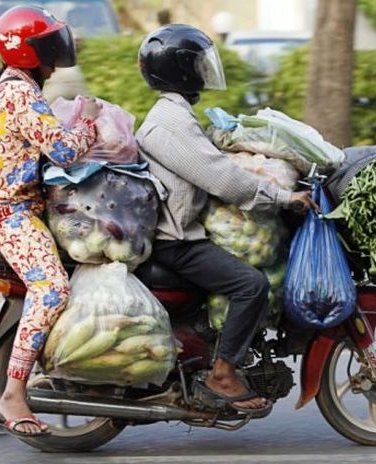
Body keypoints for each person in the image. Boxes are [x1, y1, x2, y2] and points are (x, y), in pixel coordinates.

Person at [136, 24, 315, 415]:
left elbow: (211, 164)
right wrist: (283, 198)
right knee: (251, 284)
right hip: (177, 242)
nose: (204, 72)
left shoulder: (174, 116)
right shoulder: (170, 123)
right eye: (198, 64)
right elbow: (222, 178)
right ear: (181, 70)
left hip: (179, 233)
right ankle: (222, 373)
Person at [0, 5, 101, 438]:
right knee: (52, 289)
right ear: (29, 52)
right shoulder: (21, 93)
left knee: (24, 298)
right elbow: (63, 151)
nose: (58, 49)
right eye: (48, 43)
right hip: (9, 213)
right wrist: (91, 123)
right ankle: (14, 394)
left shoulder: (9, 86)